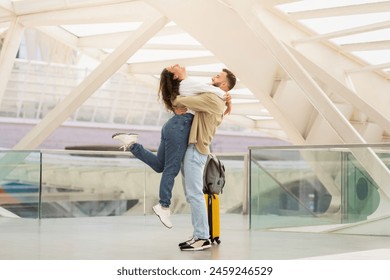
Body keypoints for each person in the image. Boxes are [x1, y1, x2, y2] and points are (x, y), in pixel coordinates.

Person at [112, 65, 232, 229]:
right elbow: (200, 98)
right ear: (175, 76)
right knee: (171, 169)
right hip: (180, 126)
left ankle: (131, 143)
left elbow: (211, 109)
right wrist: (224, 95)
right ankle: (163, 206)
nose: (180, 66)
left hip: (173, 126)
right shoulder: (188, 84)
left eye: (218, 77)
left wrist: (225, 102)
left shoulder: (195, 88)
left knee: (160, 165)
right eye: (175, 67)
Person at [173, 67, 237, 251]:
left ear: (223, 84)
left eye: (217, 76)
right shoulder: (215, 97)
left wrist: (176, 92)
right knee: (192, 195)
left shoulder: (213, 98)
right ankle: (198, 235)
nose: (213, 77)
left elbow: (180, 100)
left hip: (196, 149)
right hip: (194, 149)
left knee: (194, 194)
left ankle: (202, 237)